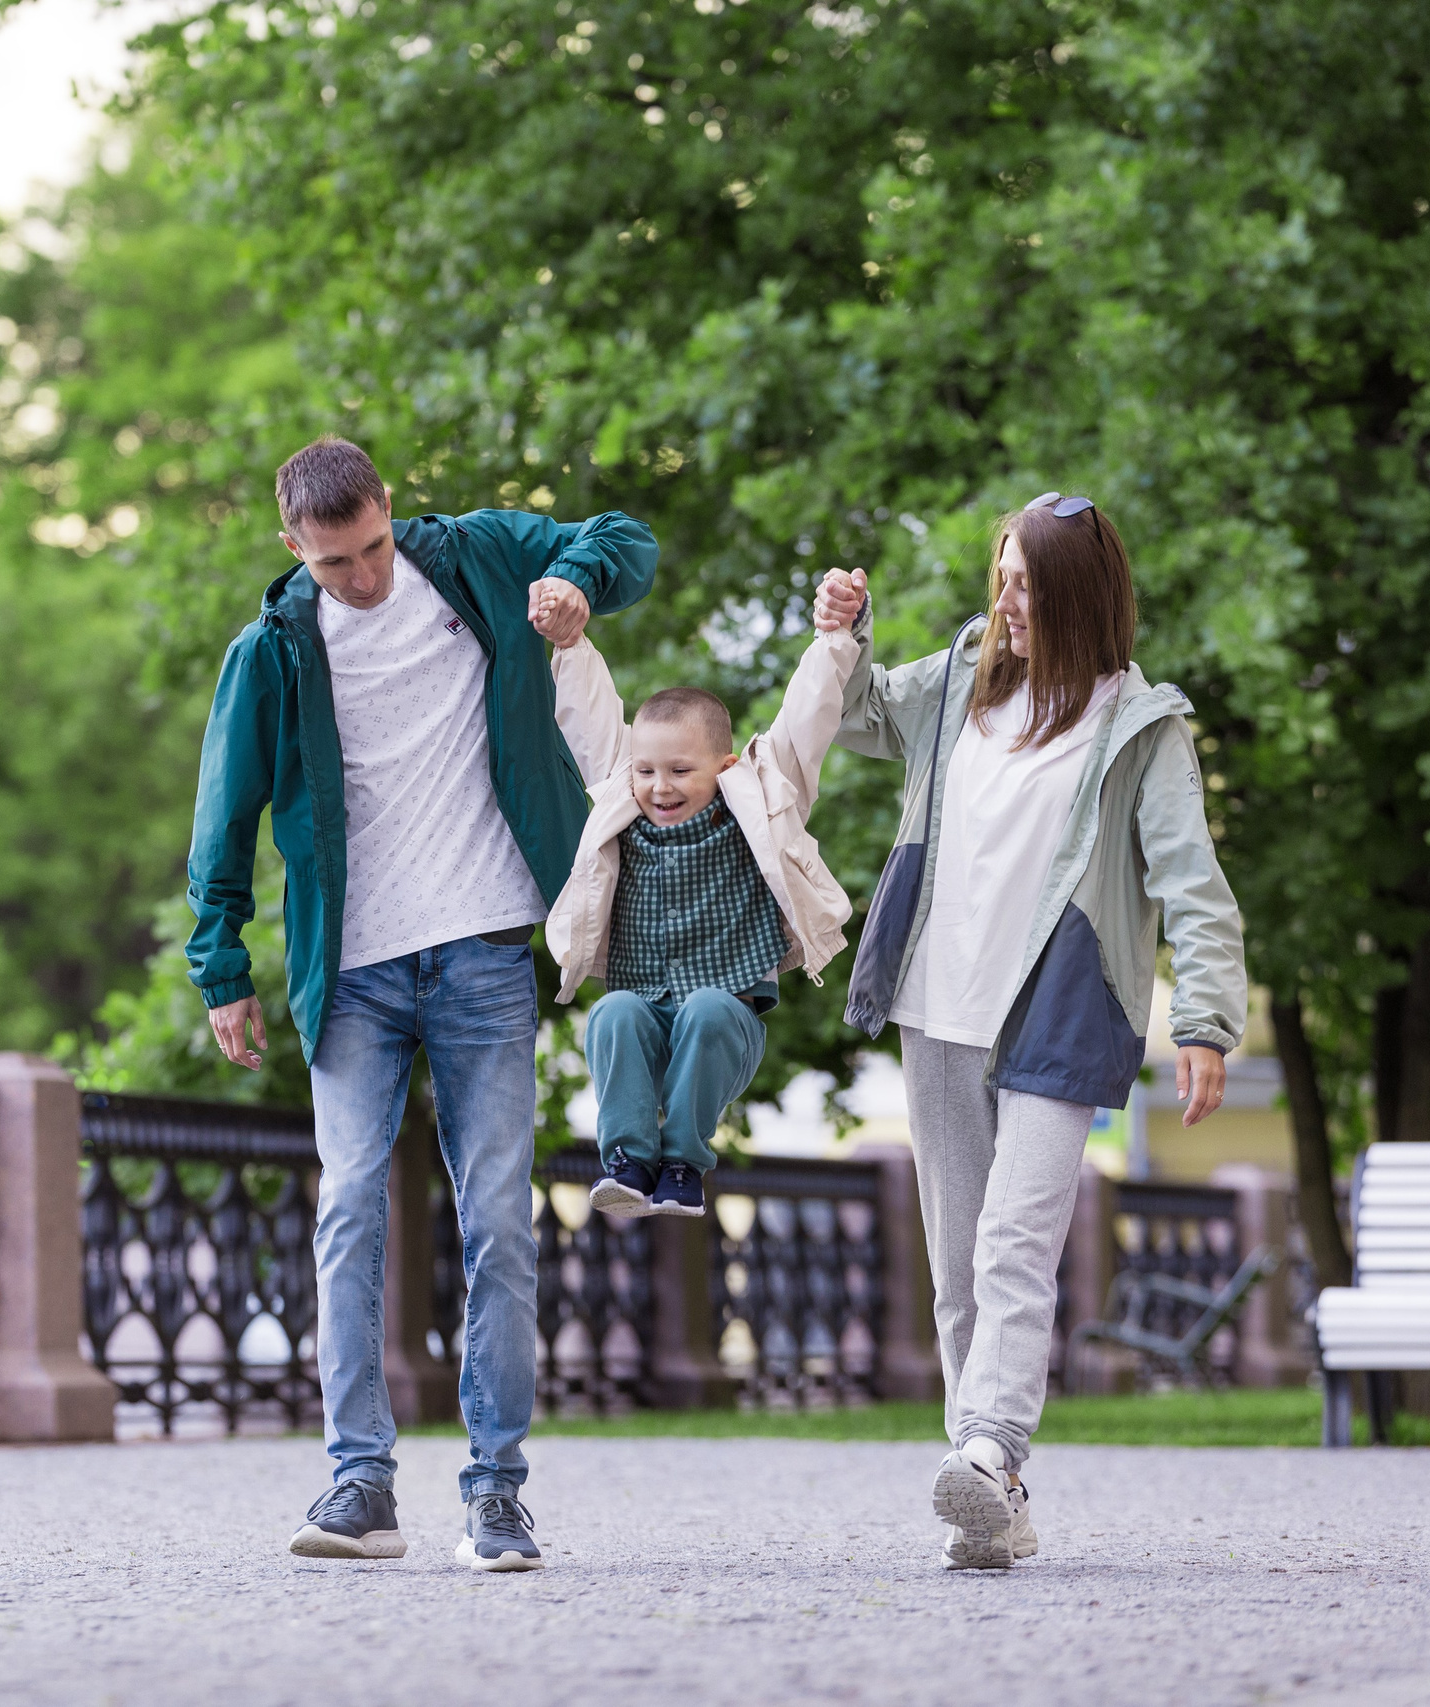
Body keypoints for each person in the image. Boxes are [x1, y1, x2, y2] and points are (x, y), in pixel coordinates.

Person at [186, 436, 657, 1572]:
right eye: (334, 560)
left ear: (390, 509)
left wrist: (574, 581)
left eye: (373, 546)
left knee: (497, 1220)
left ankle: (496, 1493)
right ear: (292, 545)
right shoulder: (273, 651)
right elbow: (223, 815)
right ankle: (360, 1483)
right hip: (351, 972)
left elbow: (628, 540)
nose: (362, 576)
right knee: (349, 1207)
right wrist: (222, 969)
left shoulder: (477, 558)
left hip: (484, 949)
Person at [826, 493, 1247, 1570]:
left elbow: (1193, 885)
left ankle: (988, 1448)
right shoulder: (960, 680)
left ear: (1080, 596)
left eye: (1028, 584)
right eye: (1002, 578)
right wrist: (847, 633)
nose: (1007, 601)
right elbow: (859, 713)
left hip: (1061, 1010)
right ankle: (993, 1492)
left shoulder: (1138, 727)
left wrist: (1204, 1020)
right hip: (937, 1007)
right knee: (958, 1268)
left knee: (1015, 1244)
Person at [534, 576, 864, 1219]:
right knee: (612, 1012)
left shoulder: (760, 799)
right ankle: (629, 1163)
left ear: (725, 767)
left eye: (681, 771)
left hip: (723, 1025)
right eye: (647, 770)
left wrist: (834, 638)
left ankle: (683, 1163)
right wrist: (570, 645)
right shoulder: (623, 800)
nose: (660, 787)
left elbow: (806, 721)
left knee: (709, 1008)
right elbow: (591, 721)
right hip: (646, 1017)